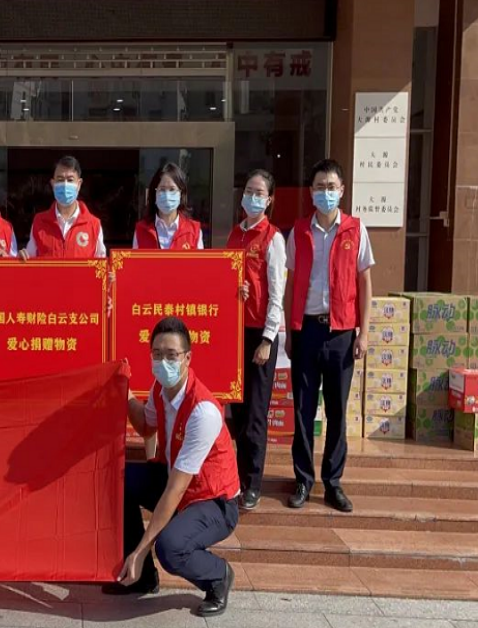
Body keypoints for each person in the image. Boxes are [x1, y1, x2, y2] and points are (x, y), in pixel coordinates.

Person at [103, 317, 239, 618]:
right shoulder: (161, 389)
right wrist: (125, 392)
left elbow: (175, 491)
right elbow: (145, 425)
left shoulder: (203, 411)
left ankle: (218, 575)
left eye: (171, 355)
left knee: (170, 547)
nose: (163, 362)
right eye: (157, 354)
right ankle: (142, 578)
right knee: (118, 482)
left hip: (213, 501)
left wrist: (140, 550)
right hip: (173, 481)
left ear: (187, 358)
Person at [285, 159, 374, 514]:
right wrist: (289, 330)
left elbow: (365, 283)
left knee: (336, 411)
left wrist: (364, 332)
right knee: (303, 410)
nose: (326, 192)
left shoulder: (355, 229)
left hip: (341, 333)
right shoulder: (298, 231)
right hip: (306, 329)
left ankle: (333, 482)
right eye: (320, 186)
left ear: (342, 190)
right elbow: (291, 282)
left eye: (331, 186)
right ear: (311, 192)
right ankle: (303, 480)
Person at [228, 170, 287, 511]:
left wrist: (267, 339)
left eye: (259, 192)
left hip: (259, 335)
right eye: (248, 190)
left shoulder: (273, 238)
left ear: (269, 200)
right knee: (237, 411)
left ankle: (253, 482)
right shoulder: (235, 234)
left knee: (255, 414)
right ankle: (237, 477)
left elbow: (277, 294)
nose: (252, 197)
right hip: (235, 332)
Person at [18, 155, 107, 259]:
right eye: (60, 179)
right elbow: (29, 260)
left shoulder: (93, 225)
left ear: (79, 184)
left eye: (70, 180)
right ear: (53, 184)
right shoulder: (39, 222)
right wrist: (20, 258)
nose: (65, 185)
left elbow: (102, 265)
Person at [133, 163, 204, 250]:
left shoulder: (194, 231)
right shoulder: (141, 230)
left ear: (180, 193)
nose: (167, 195)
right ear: (155, 193)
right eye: (162, 189)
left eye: (172, 189)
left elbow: (199, 259)